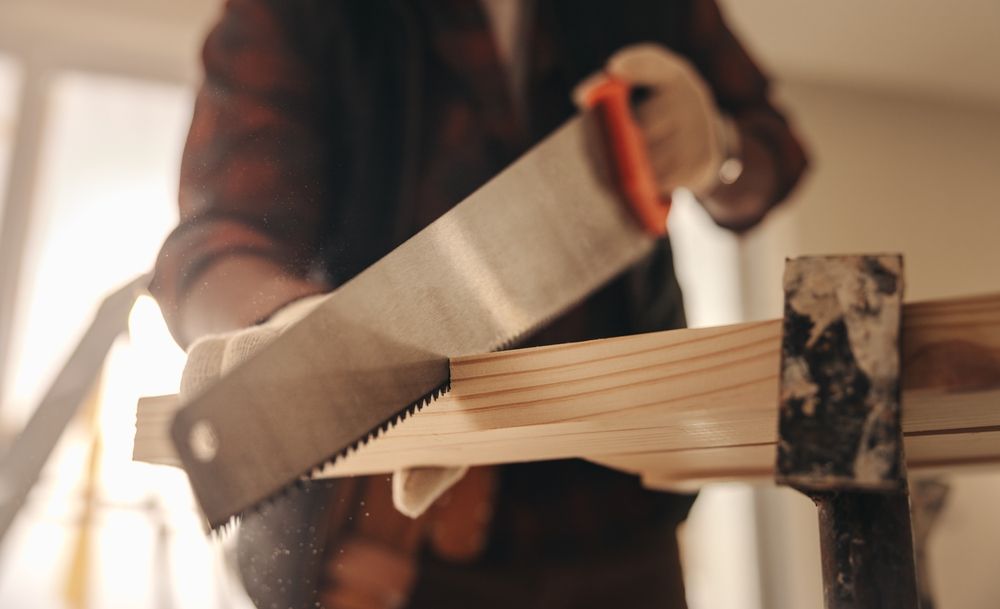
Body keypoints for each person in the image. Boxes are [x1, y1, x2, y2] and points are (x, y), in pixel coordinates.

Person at [151, 1, 808, 607]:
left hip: (621, 526)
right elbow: (213, 242)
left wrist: (718, 148)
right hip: (389, 544)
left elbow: (774, 156)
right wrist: (289, 327)